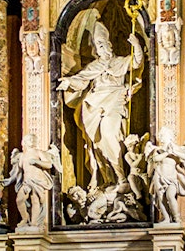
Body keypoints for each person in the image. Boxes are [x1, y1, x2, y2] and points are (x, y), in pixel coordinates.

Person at [57, 19, 143, 190]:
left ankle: (121, 177)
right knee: (96, 144)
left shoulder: (120, 61)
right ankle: (108, 178)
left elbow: (137, 63)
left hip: (114, 101)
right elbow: (81, 79)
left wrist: (137, 45)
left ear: (110, 45)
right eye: (98, 45)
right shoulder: (95, 65)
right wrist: (67, 82)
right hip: (94, 105)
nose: (102, 48)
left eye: (103, 44)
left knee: (108, 134)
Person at [2, 134, 61, 228]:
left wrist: (36, 161)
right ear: (24, 142)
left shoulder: (39, 152)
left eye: (34, 139)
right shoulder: (22, 156)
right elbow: (18, 172)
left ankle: (34, 222)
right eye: (29, 139)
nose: (32, 141)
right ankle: (25, 218)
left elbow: (49, 164)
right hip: (26, 181)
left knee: (35, 200)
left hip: (37, 180)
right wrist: (9, 180)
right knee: (19, 200)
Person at [145, 127, 185, 224]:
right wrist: (167, 153)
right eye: (160, 136)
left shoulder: (177, 149)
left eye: (163, 135)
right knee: (161, 197)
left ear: (170, 136)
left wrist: (174, 152)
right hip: (159, 175)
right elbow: (155, 159)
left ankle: (177, 218)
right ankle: (166, 218)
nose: (161, 138)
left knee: (170, 196)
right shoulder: (157, 150)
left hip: (171, 177)